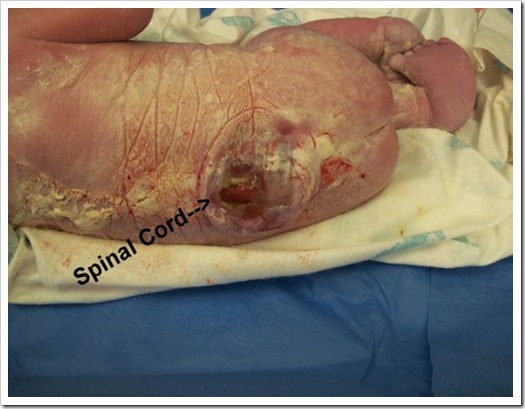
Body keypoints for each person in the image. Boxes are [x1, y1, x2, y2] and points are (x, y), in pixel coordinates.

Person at [8, 9, 476, 245]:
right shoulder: (11, 39)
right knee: (277, 47)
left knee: (340, 114)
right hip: (279, 95)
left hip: (253, 200)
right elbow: (130, 13)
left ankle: (418, 109)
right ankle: (392, 53)